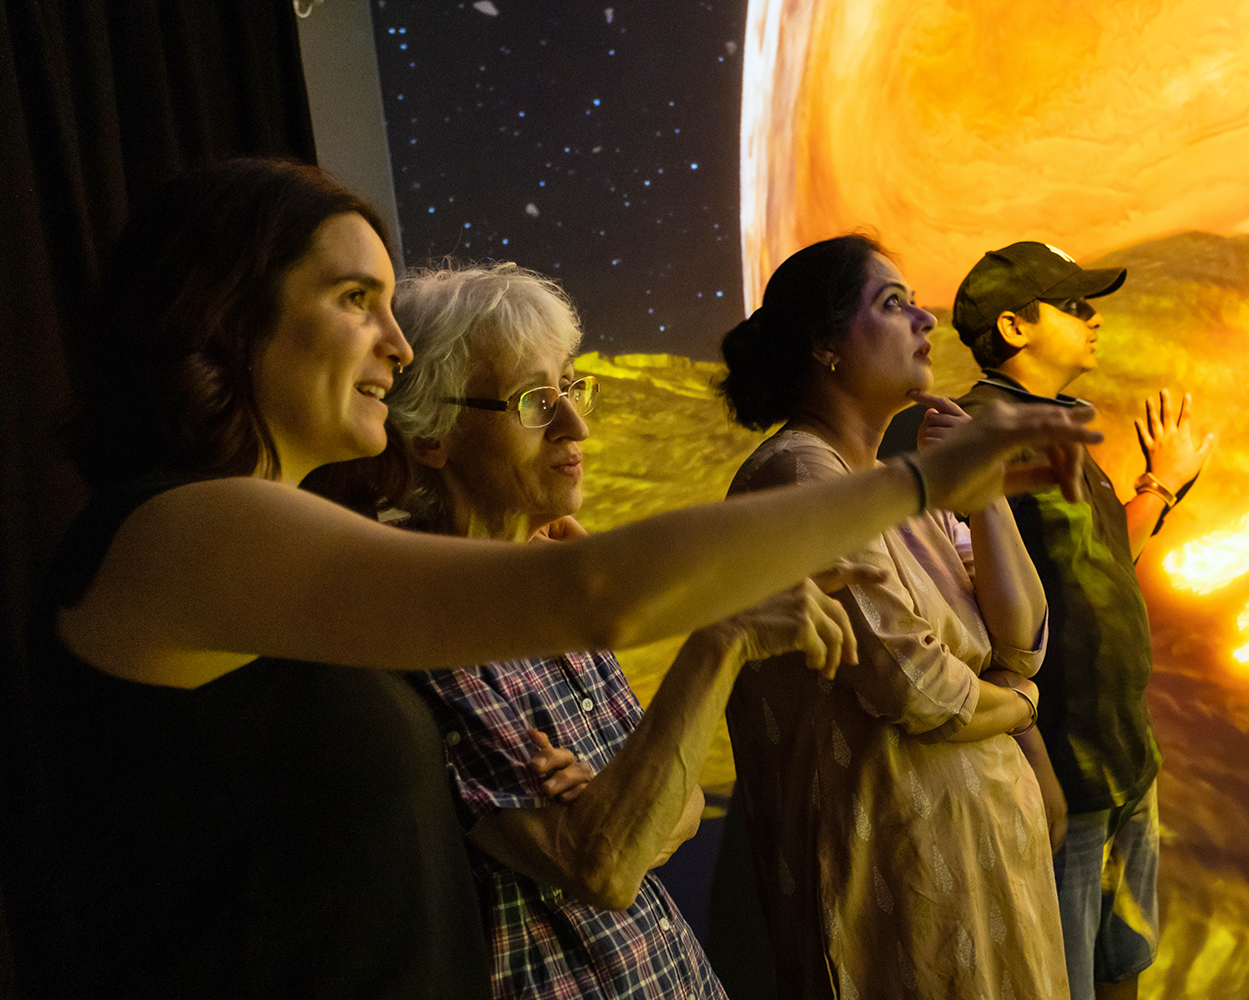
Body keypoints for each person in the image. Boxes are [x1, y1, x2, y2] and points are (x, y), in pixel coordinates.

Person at [26, 160, 1103, 999]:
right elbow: (596, 604)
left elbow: (652, 811)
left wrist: (634, 780)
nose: (395, 345)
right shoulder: (184, 531)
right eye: (355, 298)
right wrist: (919, 482)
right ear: (227, 314)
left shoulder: (274, 545)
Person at [387, 263, 884, 1000]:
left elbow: (677, 807)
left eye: (571, 389)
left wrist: (626, 801)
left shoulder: (558, 578)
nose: (576, 427)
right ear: (432, 434)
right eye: (534, 401)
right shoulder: (427, 618)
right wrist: (721, 638)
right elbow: (606, 866)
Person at [715, 234, 1081, 1000]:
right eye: (892, 304)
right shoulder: (800, 473)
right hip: (900, 889)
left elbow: (1023, 639)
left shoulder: (897, 486)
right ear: (825, 348)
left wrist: (982, 493)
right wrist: (1021, 706)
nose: (925, 319)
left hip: (980, 865)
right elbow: (915, 686)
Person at [897, 241, 1214, 999]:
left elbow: (1097, 563)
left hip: (1122, 758)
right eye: (1073, 305)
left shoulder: (1054, 427)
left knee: (1121, 963)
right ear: (1015, 326)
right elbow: (967, 621)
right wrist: (1035, 762)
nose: (1093, 318)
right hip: (1060, 774)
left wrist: (1160, 487)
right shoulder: (974, 437)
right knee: (1064, 979)